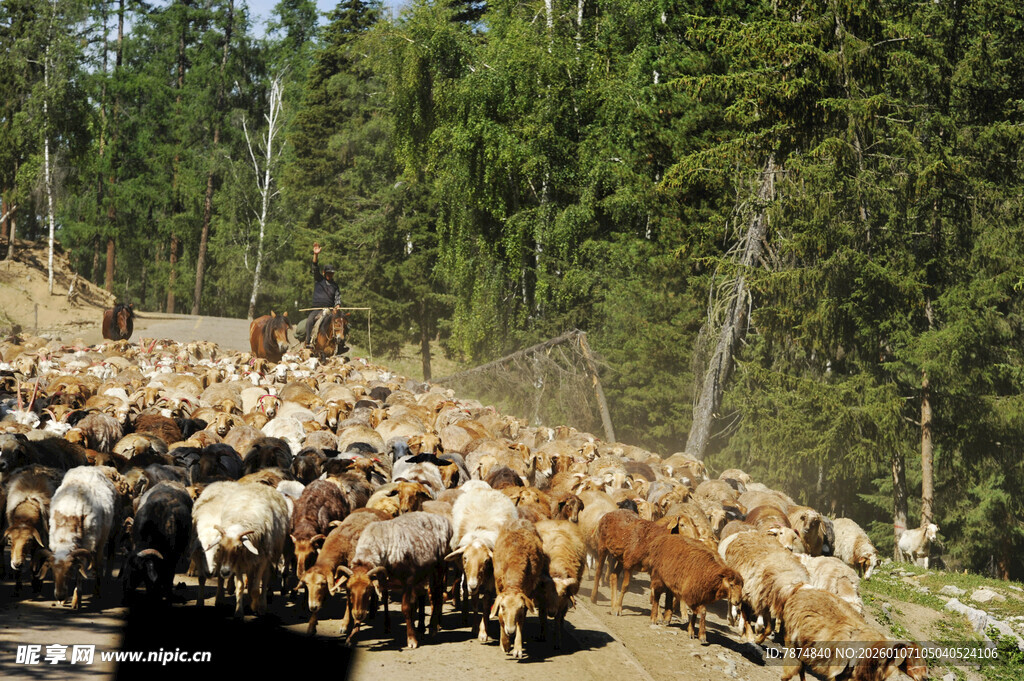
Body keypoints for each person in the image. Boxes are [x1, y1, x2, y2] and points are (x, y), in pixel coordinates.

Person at [301, 242, 343, 348]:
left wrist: (337, 306)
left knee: (342, 321)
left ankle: (341, 343)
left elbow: (337, 298)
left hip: (329, 310)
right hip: (316, 309)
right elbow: (315, 267)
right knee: (309, 321)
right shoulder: (319, 279)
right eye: (328, 273)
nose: (330, 275)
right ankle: (309, 342)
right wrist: (316, 254)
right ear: (324, 273)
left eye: (331, 273)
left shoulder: (335, 286)